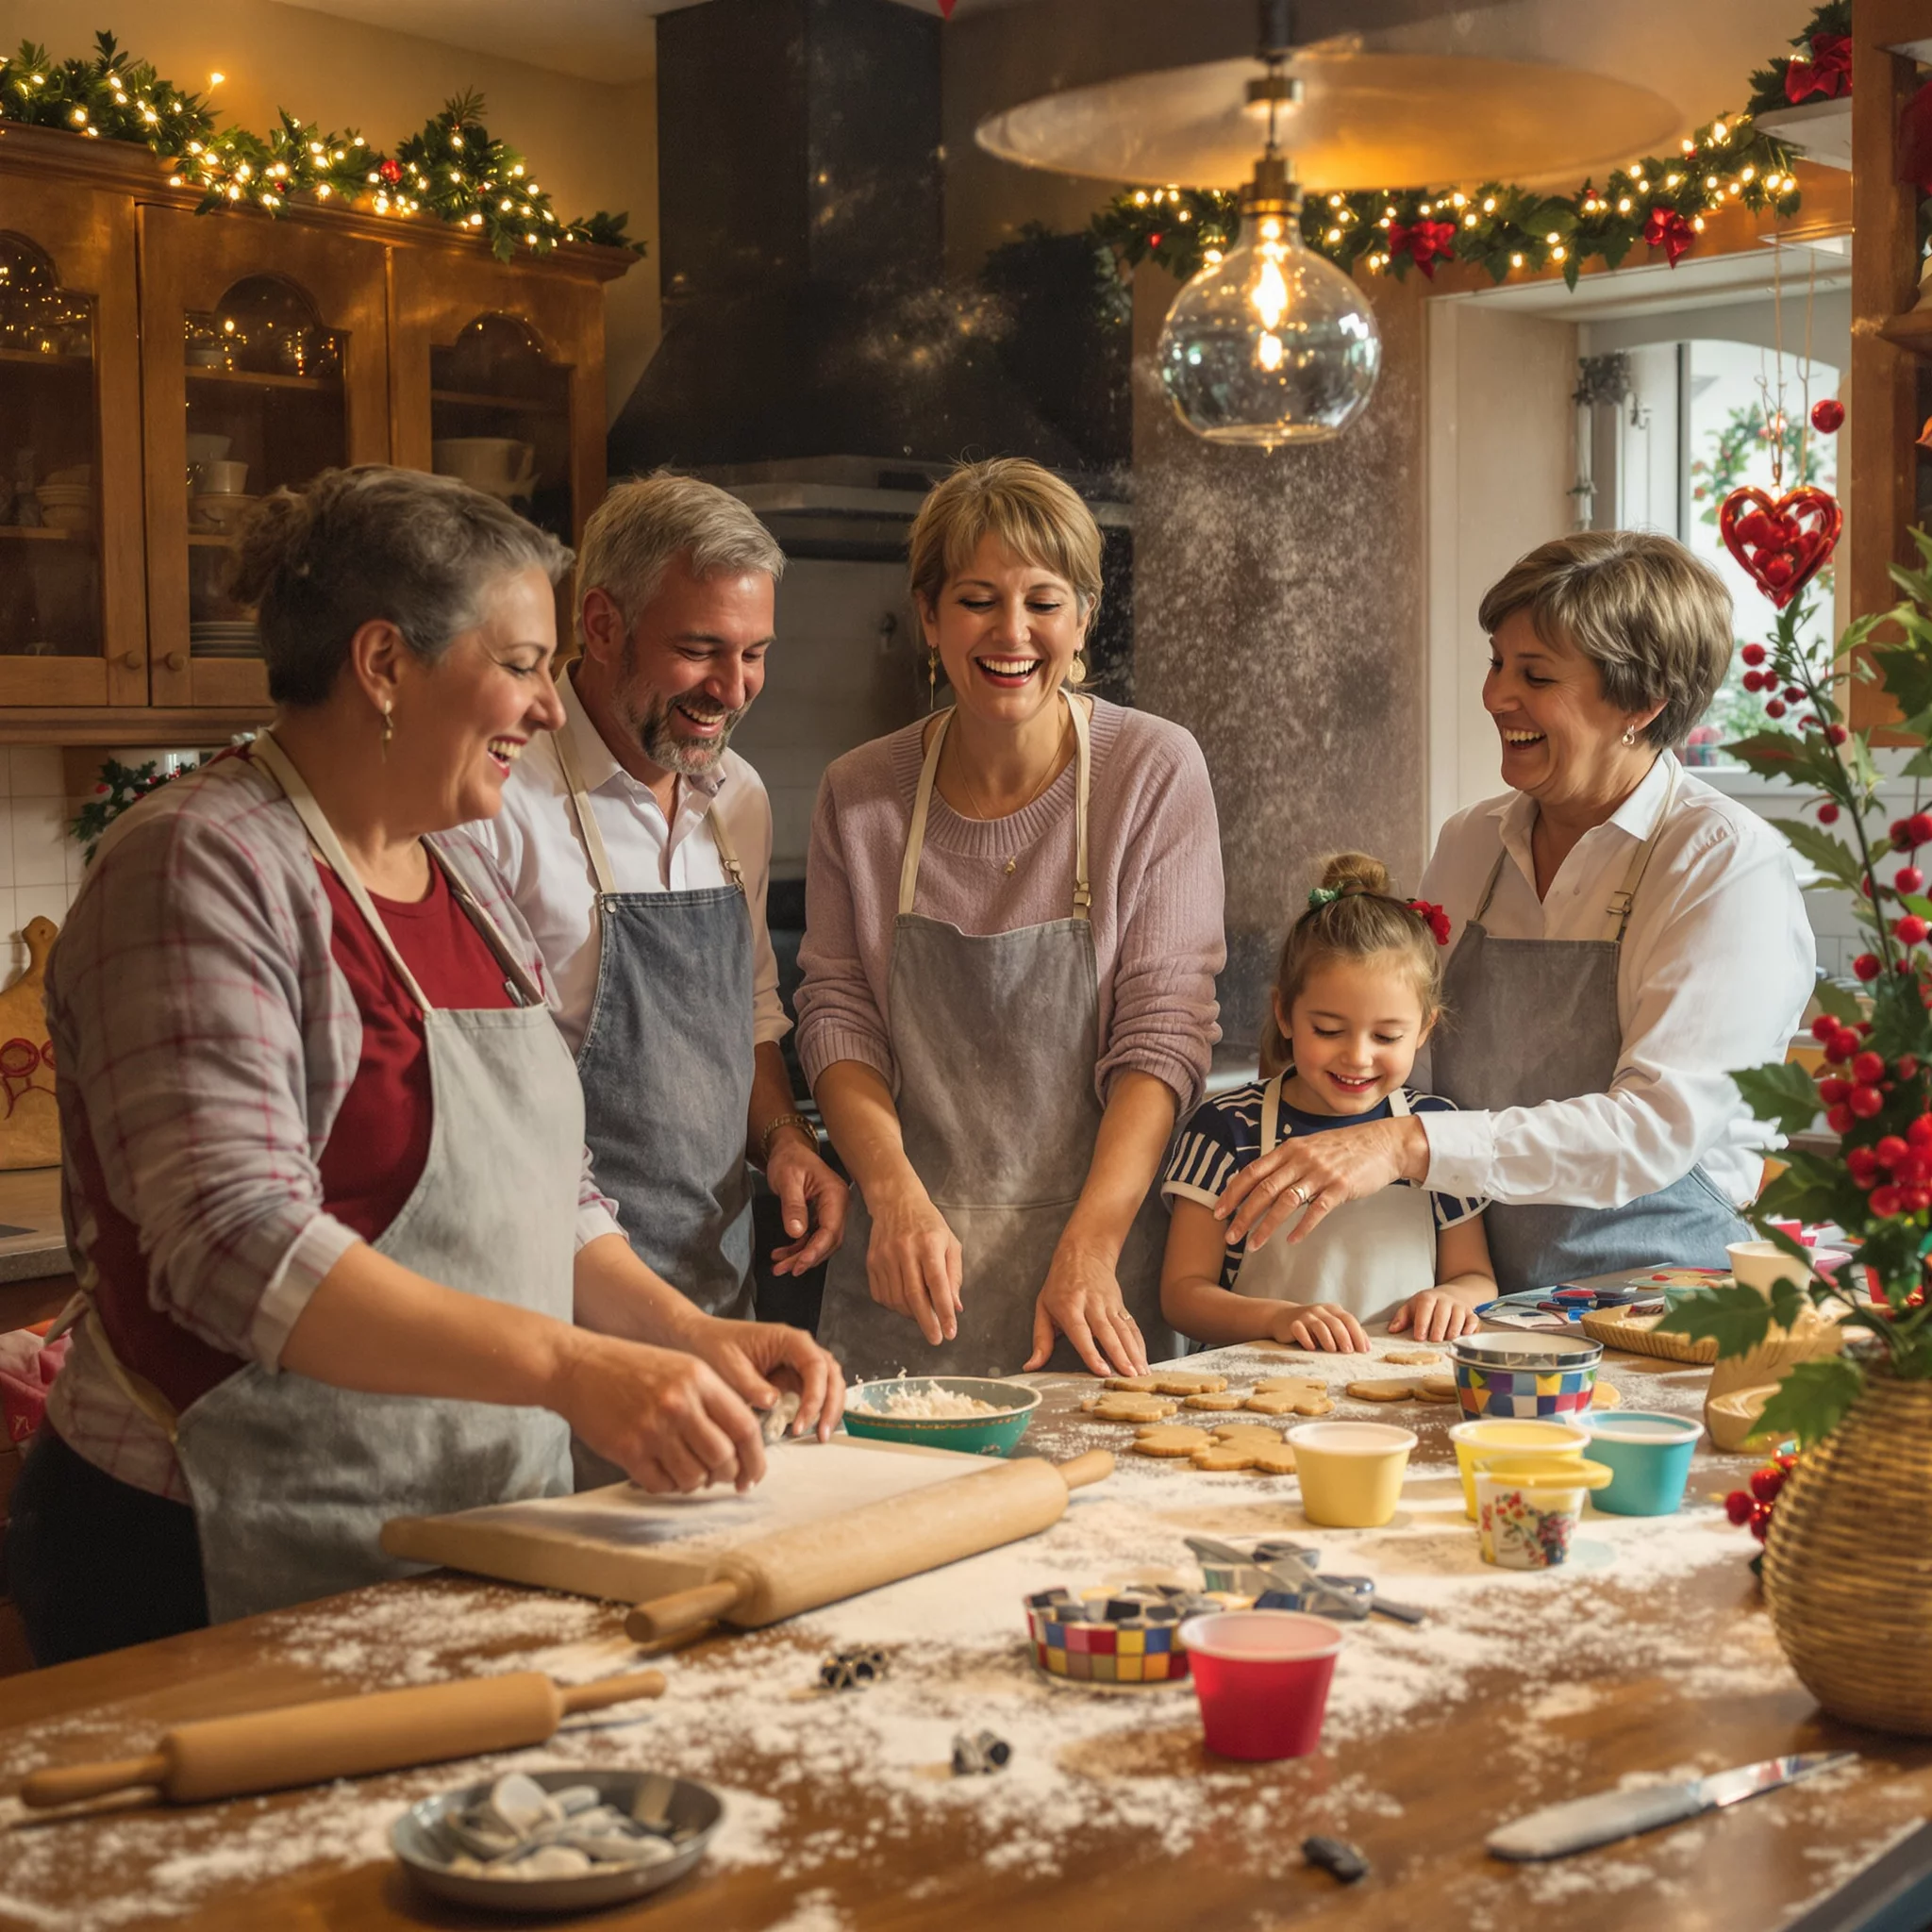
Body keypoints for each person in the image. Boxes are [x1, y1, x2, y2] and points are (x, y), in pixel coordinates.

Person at [8, 466, 841, 1665]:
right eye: (518, 663)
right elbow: (235, 1246)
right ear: (384, 663)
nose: (550, 708)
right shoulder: (202, 865)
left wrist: (675, 1331)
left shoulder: (453, 867)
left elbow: (535, 1185)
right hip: (220, 1538)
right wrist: (568, 1367)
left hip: (465, 1520)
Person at [1214, 531, 1814, 1294]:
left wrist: (1406, 1144)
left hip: (1658, 1301)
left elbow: (1653, 1132)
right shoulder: (1471, 842)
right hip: (1471, 1296)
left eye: (1535, 674)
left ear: (1640, 704)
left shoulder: (1722, 864)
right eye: (1498, 663)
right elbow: (1407, 1068)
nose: (1498, 695)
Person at [796, 458, 1224, 1381]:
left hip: (1097, 1280)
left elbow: (1163, 1031)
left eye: (1042, 599)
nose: (1011, 631)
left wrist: (1089, 1246)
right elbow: (837, 1018)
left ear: (1081, 618)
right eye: (977, 598)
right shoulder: (860, 792)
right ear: (928, 615)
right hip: (907, 1282)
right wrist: (894, 1195)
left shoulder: (1149, 770)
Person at [465, 475, 846, 1344]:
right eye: (702, 649)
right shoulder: (501, 800)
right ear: (601, 625)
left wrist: (785, 1139)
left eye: (755, 653)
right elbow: (491, 1107)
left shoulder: (738, 798)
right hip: (546, 1311)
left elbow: (746, 1016)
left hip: (719, 1299)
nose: (735, 687)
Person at [1160, 853, 1493, 1352]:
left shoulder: (1437, 1131)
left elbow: (1476, 1277)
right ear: (1285, 1013)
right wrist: (1279, 1319)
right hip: (1256, 1399)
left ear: (1424, 1029)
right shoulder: (1227, 1130)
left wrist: (1452, 1298)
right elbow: (1183, 1296)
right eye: (1329, 1030)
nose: (1358, 1057)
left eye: (1386, 1035)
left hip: (1394, 1394)